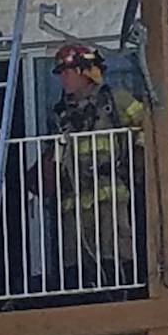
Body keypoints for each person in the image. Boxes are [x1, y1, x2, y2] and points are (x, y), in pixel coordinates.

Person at [47, 42, 146, 289]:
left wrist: (140, 153)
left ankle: (121, 291)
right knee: (76, 253)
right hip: (74, 197)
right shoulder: (61, 113)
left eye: (67, 72)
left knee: (114, 246)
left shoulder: (116, 100)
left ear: (85, 71)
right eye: (60, 73)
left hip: (109, 190)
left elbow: (149, 124)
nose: (63, 79)